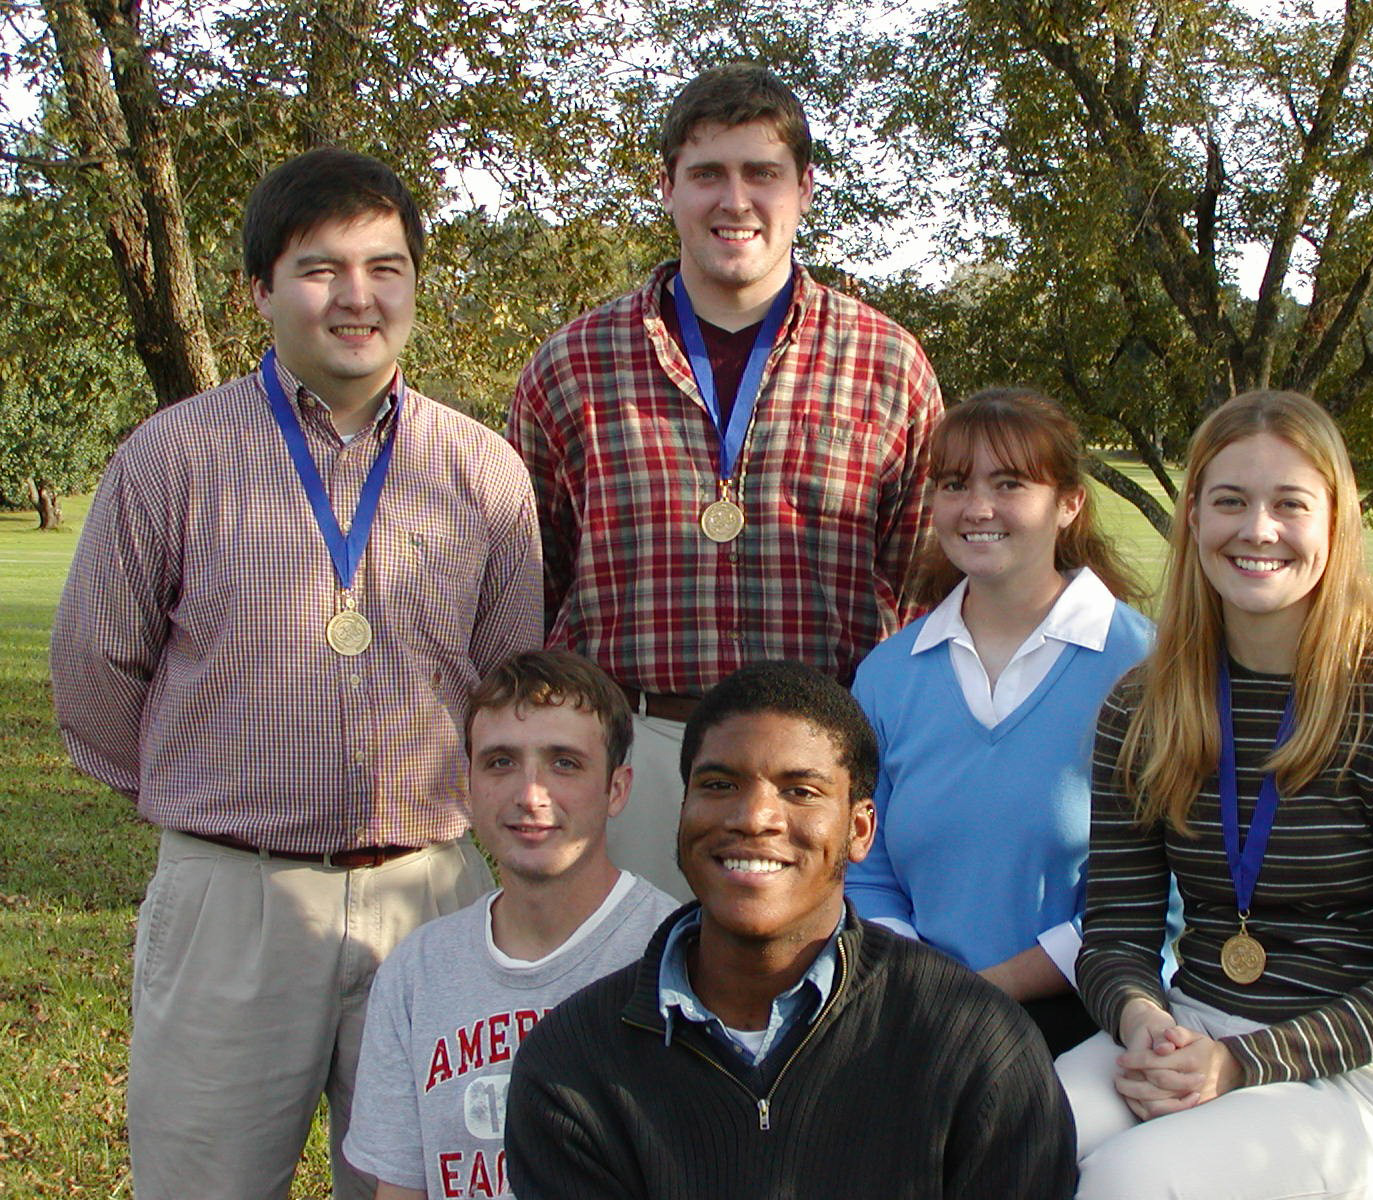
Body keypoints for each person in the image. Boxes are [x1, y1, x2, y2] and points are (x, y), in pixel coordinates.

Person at [49, 148, 542, 1200]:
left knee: (435, 1185)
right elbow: (96, 668)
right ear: (258, 290)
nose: (357, 297)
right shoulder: (171, 458)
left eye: (386, 266)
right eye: (320, 268)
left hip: (431, 899)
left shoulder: (482, 471)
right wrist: (207, 810)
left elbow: (511, 689)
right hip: (234, 900)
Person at [507, 64, 943, 899]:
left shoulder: (888, 365)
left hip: (818, 762)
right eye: (707, 173)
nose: (734, 200)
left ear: (805, 188)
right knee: (624, 1010)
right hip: (634, 754)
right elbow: (536, 581)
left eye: (762, 174)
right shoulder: (572, 367)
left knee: (811, 1014)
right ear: (666, 187)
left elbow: (921, 587)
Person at [1057, 390, 1373, 1200]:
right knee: (998, 1134)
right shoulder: (1143, 706)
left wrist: (1242, 1064)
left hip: (1355, 1076)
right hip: (1187, 1028)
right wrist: (1143, 1021)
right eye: (1229, 502)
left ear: (1334, 526)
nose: (1257, 530)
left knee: (1132, 1183)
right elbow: (1115, 932)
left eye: (1290, 504)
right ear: (1193, 521)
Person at [502, 661, 1078, 1199]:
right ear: (682, 812)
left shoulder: (975, 1043)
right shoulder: (574, 1063)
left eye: (800, 791)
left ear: (859, 829)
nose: (754, 818)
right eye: (719, 785)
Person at [847, 388, 1158, 1056]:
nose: (977, 508)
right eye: (955, 484)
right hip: (911, 1014)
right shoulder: (888, 674)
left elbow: (1174, 893)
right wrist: (921, 982)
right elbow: (861, 867)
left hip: (1096, 1024)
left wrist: (989, 986)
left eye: (1009, 483)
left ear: (1070, 503)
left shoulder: (1148, 668)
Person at [343, 650, 677, 1200]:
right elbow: (400, 1187)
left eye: (564, 763)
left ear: (617, 789)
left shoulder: (671, 960)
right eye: (500, 762)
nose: (530, 794)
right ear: (468, 781)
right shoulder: (418, 971)